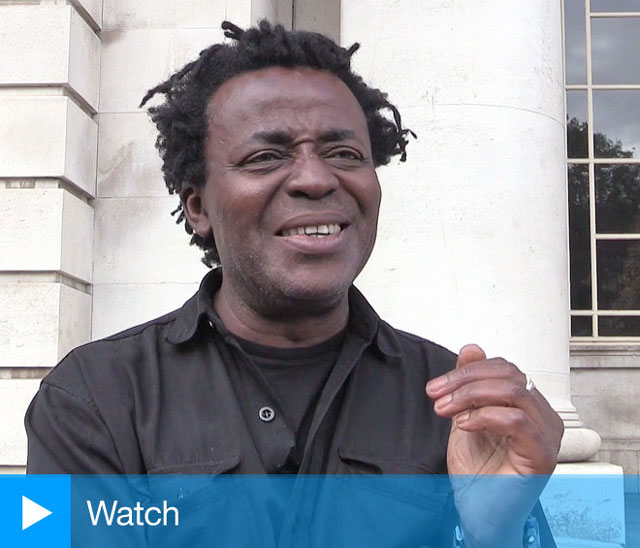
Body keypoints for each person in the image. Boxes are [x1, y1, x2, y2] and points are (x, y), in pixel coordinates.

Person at [25, 20, 564, 547]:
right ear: (197, 207)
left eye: (345, 154)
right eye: (266, 156)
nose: (315, 178)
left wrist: (495, 532)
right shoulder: (89, 399)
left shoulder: (455, 403)